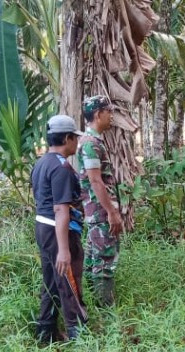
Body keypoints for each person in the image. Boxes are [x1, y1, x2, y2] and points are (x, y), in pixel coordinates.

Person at [31, 114, 88, 343]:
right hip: (58, 230)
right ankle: (79, 334)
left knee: (51, 281)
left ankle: (46, 332)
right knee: (69, 280)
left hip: (43, 228)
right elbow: (60, 209)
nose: (76, 142)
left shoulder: (42, 163)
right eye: (75, 138)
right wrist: (64, 249)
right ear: (67, 138)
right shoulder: (61, 168)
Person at [78, 95, 124, 307]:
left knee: (93, 259)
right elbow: (96, 181)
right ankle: (105, 308)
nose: (111, 115)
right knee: (104, 260)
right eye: (108, 111)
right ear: (98, 115)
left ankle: (88, 303)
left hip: (97, 212)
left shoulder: (93, 142)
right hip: (100, 213)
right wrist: (111, 212)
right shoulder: (90, 145)